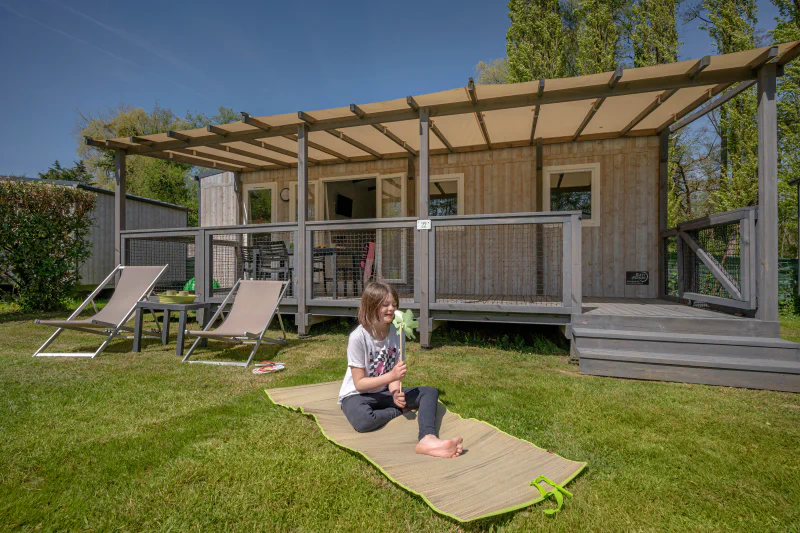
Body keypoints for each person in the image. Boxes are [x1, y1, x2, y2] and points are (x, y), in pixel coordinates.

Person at [338, 281, 463, 458]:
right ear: (371, 305)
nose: (392, 309)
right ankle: (397, 412)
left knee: (429, 392)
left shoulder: (398, 332)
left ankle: (428, 438)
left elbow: (395, 372)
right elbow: (359, 384)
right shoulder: (358, 338)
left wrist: (396, 393)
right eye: (386, 304)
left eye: (395, 305)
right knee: (364, 420)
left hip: (384, 392)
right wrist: (392, 380)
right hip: (357, 396)